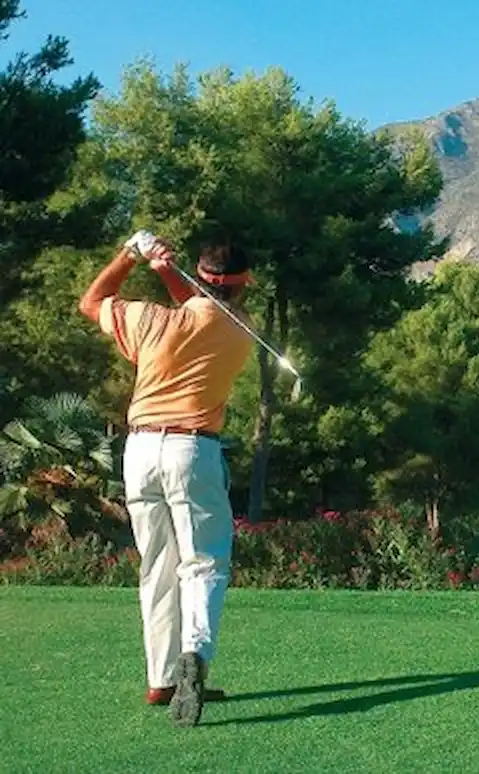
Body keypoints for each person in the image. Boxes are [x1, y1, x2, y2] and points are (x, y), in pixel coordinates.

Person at [77, 230, 255, 728]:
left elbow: (92, 301)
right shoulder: (240, 327)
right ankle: (193, 654)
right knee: (202, 564)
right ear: (242, 284)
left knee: (156, 565)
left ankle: (161, 679)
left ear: (198, 277)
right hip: (193, 449)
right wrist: (166, 272)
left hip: (139, 449)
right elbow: (205, 310)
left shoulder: (149, 319)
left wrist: (134, 257)